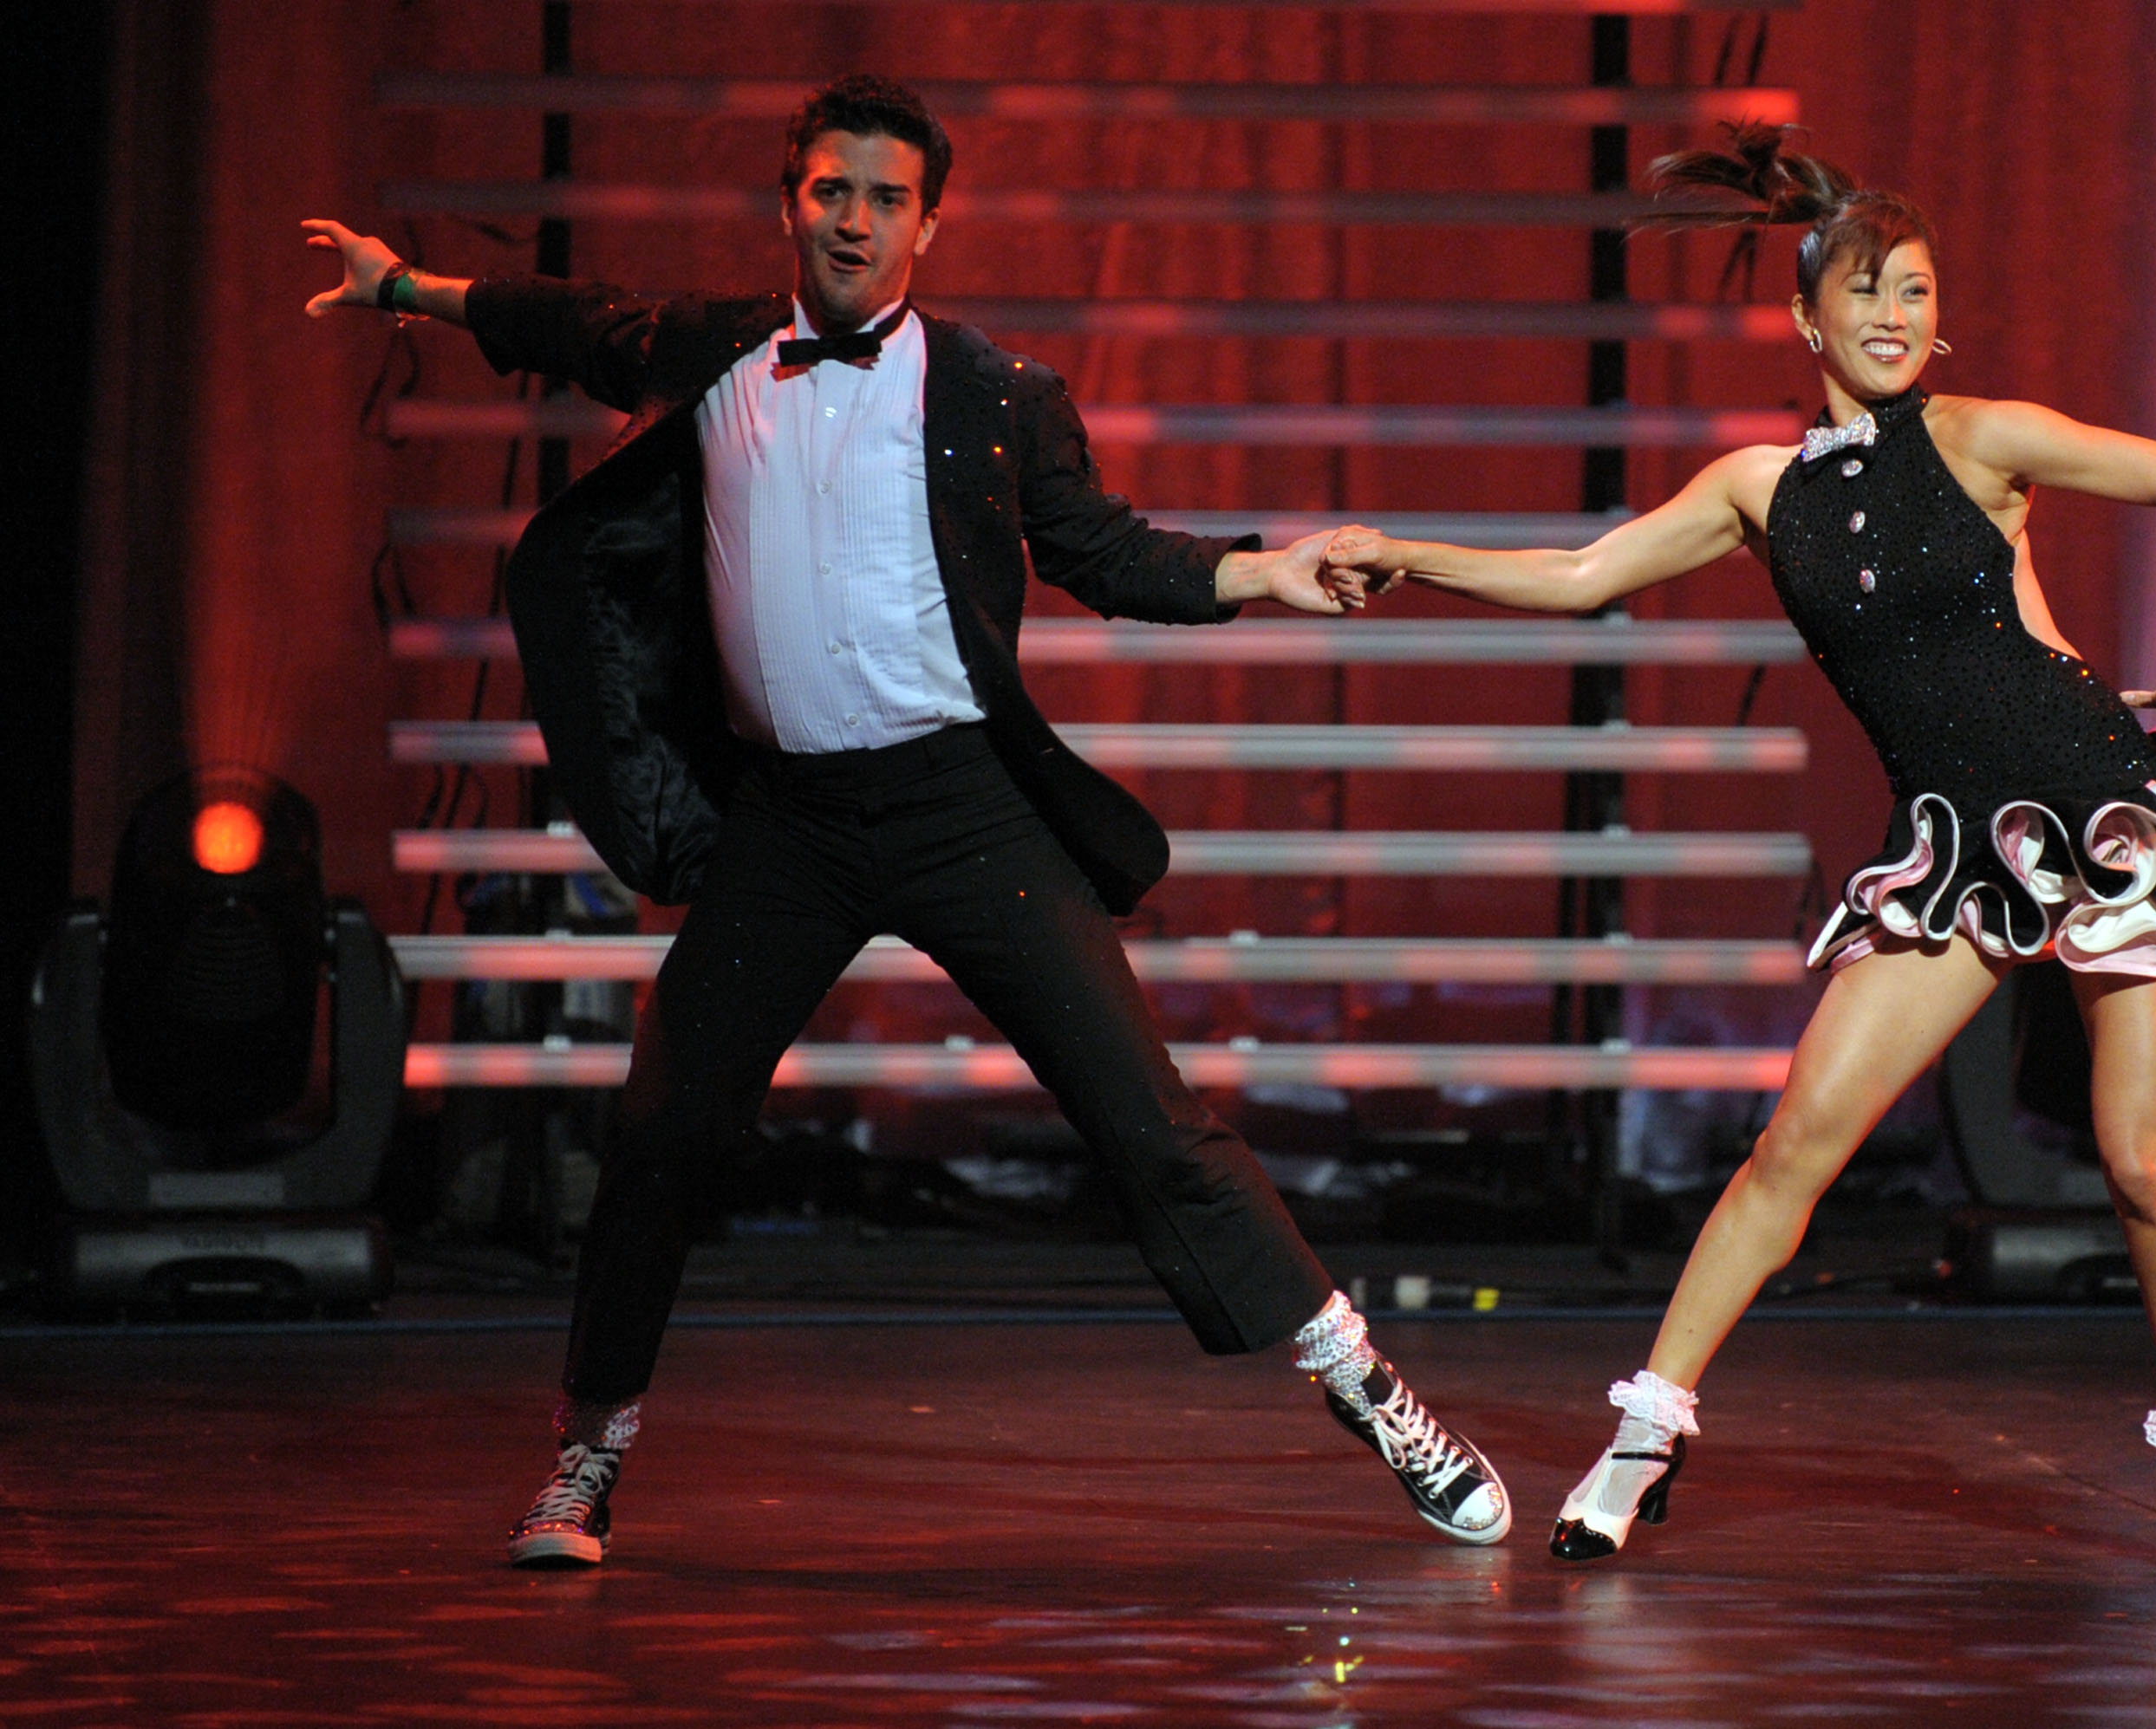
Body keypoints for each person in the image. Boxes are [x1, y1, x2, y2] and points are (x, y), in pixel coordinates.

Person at [303, 73, 1508, 1566]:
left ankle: (1367, 1385)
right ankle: (586, 1461)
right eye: (829, 190)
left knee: (1151, 1123)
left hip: (963, 807)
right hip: (790, 822)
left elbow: (1109, 554)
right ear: (791, 203)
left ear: (928, 225)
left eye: (884, 198)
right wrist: (406, 288)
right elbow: (574, 321)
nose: (854, 219)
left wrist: (1268, 569)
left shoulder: (997, 397)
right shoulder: (725, 351)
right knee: (663, 1126)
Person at [1325, 122, 2156, 1578]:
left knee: (2142, 1160)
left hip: (2105, 815)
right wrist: (1414, 552)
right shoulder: (1758, 493)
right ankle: (1644, 1438)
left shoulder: (1978, 437)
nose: (1896, 318)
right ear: (1807, 319)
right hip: (1956, 851)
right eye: (1869, 292)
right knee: (1792, 1148)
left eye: (1916, 293)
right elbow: (1582, 579)